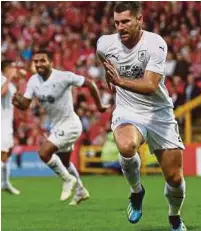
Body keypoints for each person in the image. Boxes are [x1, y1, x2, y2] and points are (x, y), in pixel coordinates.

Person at [97, 2, 186, 231]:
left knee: (175, 179)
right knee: (127, 146)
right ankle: (136, 191)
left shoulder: (155, 43)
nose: (120, 27)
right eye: (116, 22)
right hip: (128, 111)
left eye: (125, 21)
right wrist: (109, 75)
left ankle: (174, 217)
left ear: (139, 20)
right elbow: (103, 58)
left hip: (159, 113)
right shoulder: (105, 44)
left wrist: (119, 82)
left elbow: (150, 84)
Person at [12, 50, 110, 205]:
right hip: (56, 126)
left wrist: (99, 106)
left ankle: (67, 180)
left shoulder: (63, 76)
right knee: (64, 163)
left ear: (51, 62)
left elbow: (89, 83)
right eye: (36, 61)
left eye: (42, 60)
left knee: (44, 153)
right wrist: (18, 102)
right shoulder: (33, 81)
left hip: (71, 124)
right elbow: (25, 104)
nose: (38, 64)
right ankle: (80, 190)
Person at [1, 60, 20, 195]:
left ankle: (5, 182)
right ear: (6, 69)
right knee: (2, 153)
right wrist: (9, 78)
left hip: (8, 122)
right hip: (1, 123)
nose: (14, 69)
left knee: (8, 152)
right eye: (12, 67)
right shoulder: (2, 79)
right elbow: (1, 93)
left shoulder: (11, 84)